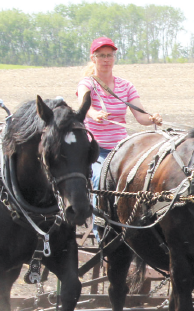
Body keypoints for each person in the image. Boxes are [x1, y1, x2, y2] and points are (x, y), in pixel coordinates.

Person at [77, 36, 162, 194]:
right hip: (97, 149)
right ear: (93, 58)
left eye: (110, 55)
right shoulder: (87, 83)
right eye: (101, 55)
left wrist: (152, 119)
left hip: (123, 148)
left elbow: (141, 116)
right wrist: (94, 114)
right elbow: (84, 106)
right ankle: (99, 218)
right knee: (99, 180)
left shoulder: (126, 86)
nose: (106, 59)